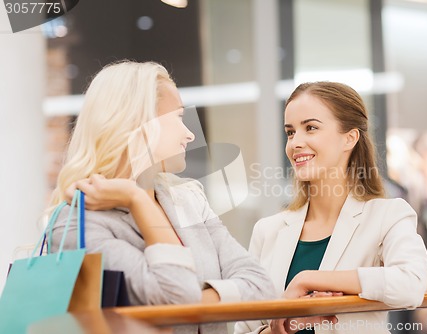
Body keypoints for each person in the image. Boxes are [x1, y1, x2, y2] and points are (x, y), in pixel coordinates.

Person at [48, 60, 276, 334]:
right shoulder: (78, 224)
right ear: (139, 123)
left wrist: (197, 301)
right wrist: (138, 200)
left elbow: (260, 285)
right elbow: (176, 296)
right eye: (179, 117)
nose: (190, 133)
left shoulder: (188, 198)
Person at [234, 82, 427, 334]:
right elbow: (244, 329)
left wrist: (309, 279)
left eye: (311, 128)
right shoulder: (267, 231)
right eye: (291, 132)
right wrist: (277, 329)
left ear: (349, 138)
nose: (295, 143)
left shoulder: (387, 215)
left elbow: (411, 283)